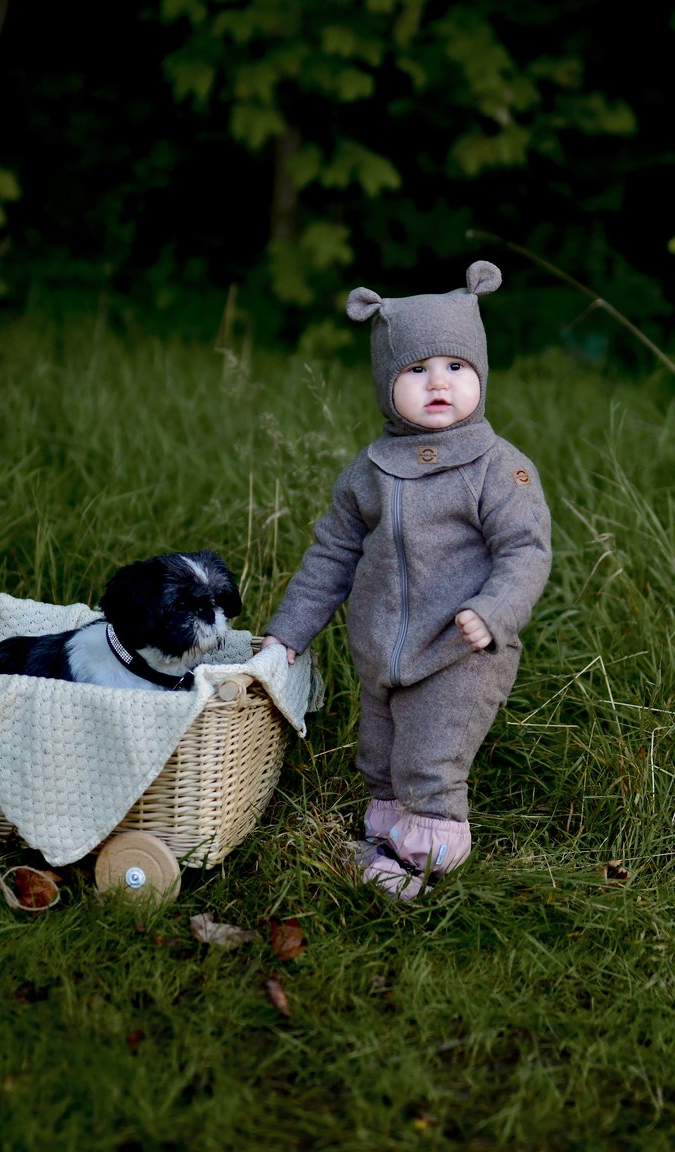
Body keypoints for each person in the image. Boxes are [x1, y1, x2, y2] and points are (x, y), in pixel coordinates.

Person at [261, 261, 552, 901]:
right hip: (380, 652)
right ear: (386, 383)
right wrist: (288, 635)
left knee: (429, 757)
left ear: (480, 374)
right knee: (382, 755)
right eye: (415, 371)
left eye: (455, 367)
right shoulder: (369, 472)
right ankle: (390, 837)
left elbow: (526, 550)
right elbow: (330, 557)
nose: (437, 383)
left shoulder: (498, 469)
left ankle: (427, 859)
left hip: (459, 650)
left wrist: (494, 610)